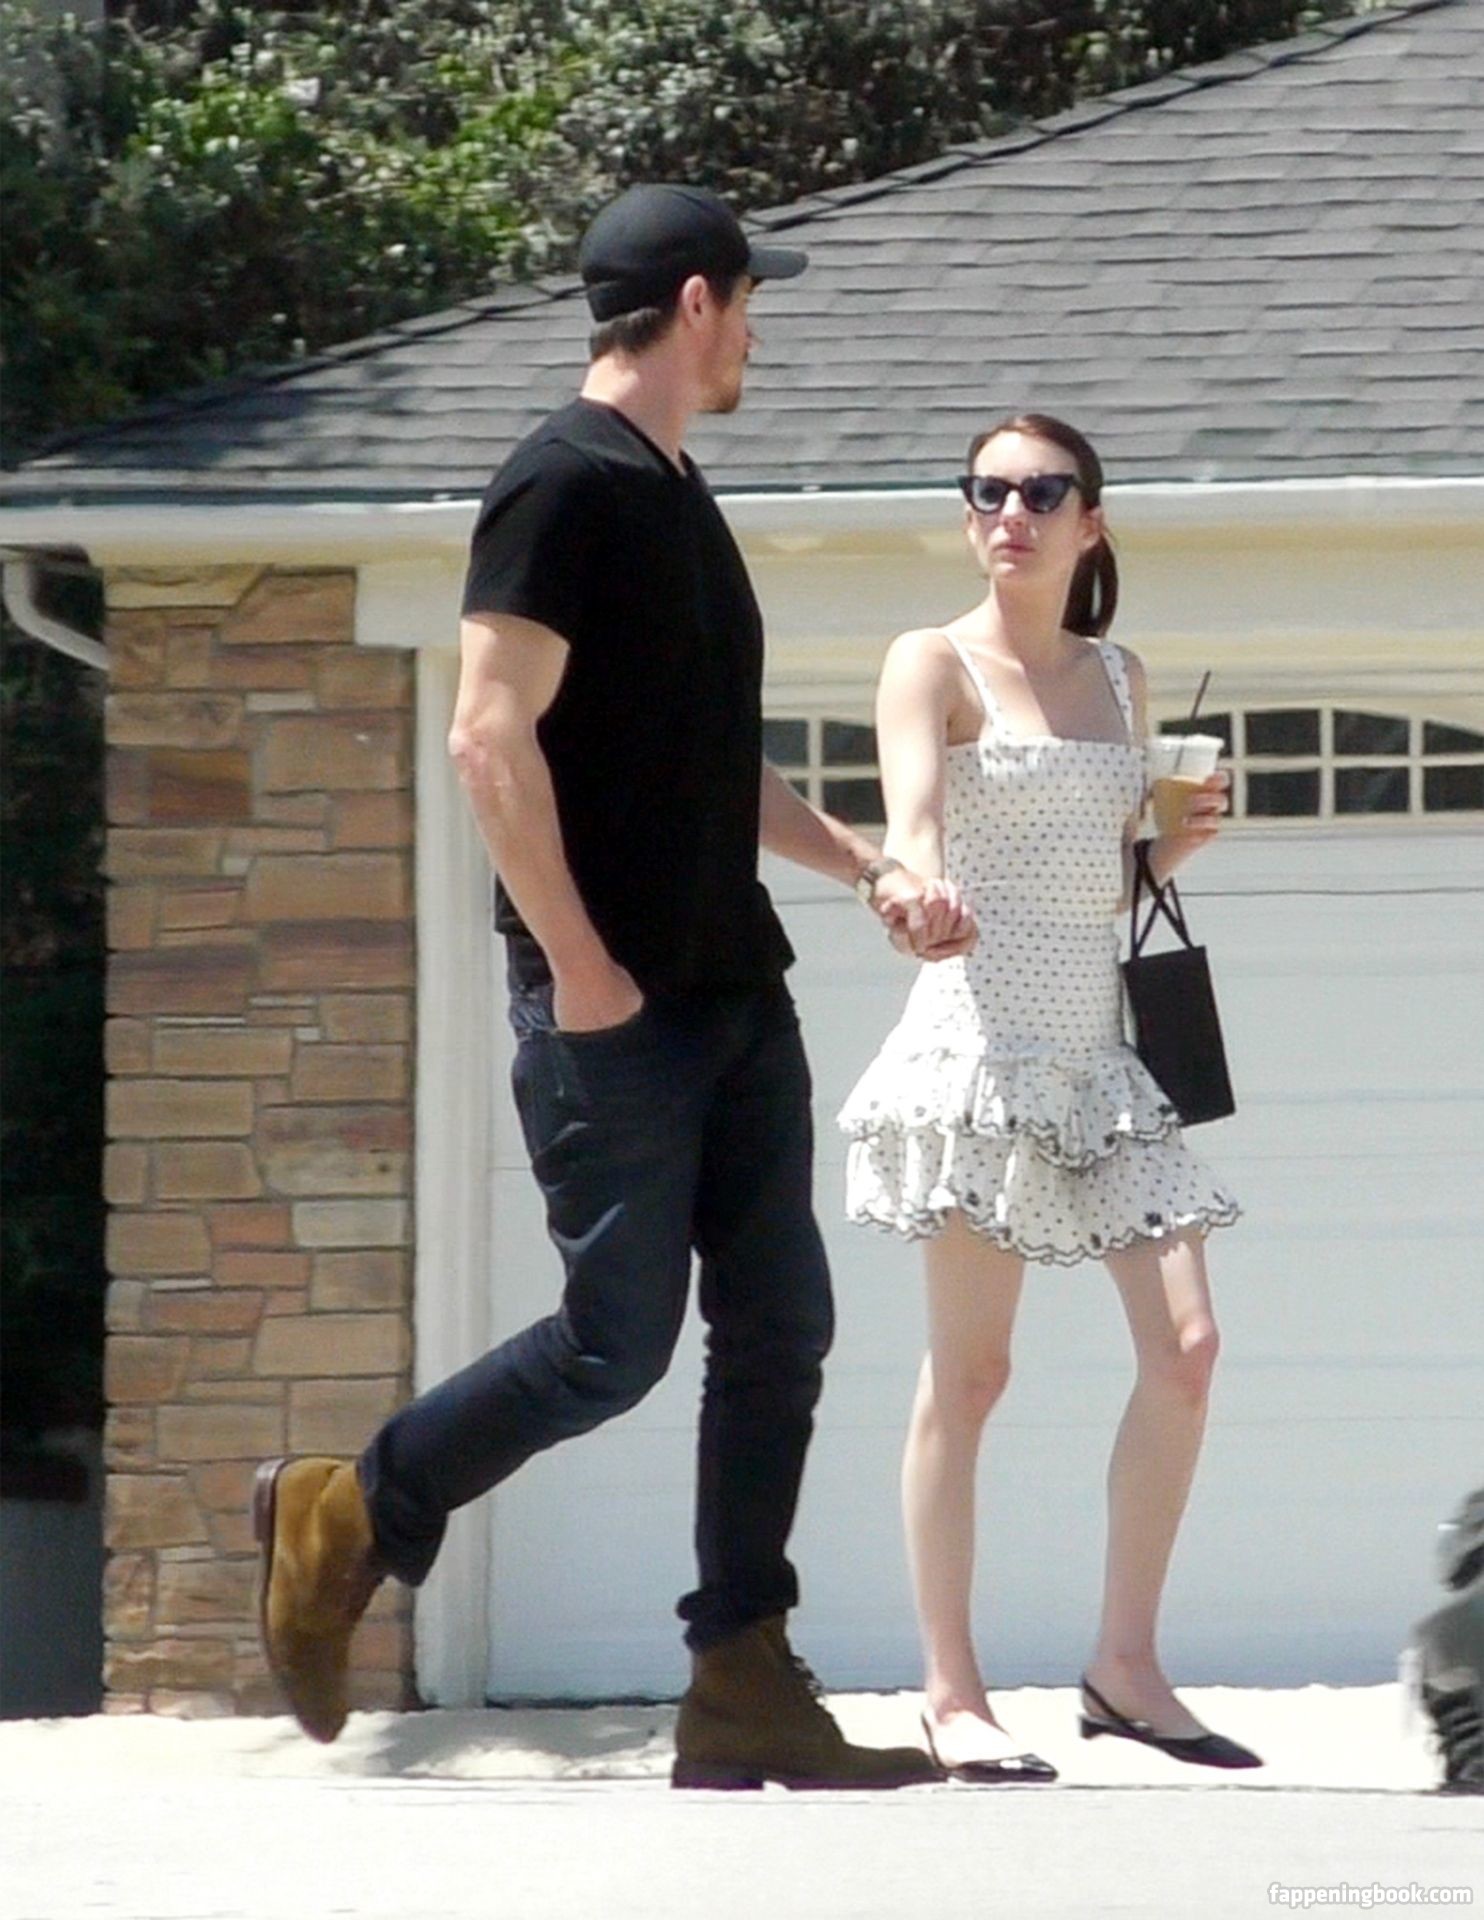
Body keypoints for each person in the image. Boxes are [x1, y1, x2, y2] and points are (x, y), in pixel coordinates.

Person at [252, 184, 974, 1791]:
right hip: (616, 1006)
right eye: (751, 301)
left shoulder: (675, 491)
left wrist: (865, 868)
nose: (757, 331)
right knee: (615, 1345)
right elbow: (486, 735)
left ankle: (742, 1683)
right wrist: (580, 967)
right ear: (700, 302)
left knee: (781, 1328)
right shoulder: (562, 482)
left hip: (735, 989)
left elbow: (707, 762)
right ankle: (349, 1505)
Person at [838, 412, 1258, 1781]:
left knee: (1188, 1349)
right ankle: (951, 1690)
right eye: (988, 491)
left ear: (1092, 522)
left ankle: (1124, 1669)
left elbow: (1111, 882)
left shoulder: (1122, 678)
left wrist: (1177, 843)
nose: (1010, 512)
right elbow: (911, 823)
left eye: (1041, 490)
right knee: (972, 1373)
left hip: (1103, 1055)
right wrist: (914, 886)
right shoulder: (931, 660)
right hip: (978, 1052)